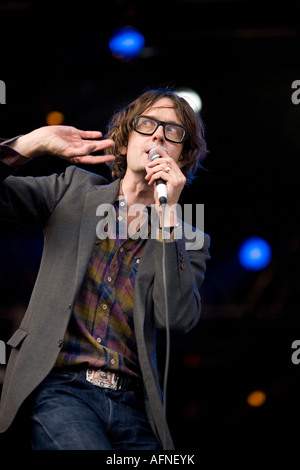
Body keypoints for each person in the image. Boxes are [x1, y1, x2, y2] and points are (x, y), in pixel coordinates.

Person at [0, 89, 210, 450]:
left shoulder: (188, 235)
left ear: (183, 157)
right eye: (147, 125)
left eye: (173, 132)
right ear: (125, 142)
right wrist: (28, 144)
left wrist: (168, 217)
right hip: (58, 387)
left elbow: (176, 317)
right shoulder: (72, 189)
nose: (159, 135)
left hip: (132, 405)